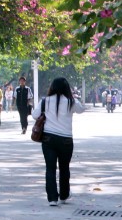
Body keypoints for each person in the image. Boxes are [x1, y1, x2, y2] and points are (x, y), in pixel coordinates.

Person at [32, 77, 85, 206]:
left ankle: (52, 198)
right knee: (64, 168)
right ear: (67, 88)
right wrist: (73, 96)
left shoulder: (45, 101)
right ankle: (64, 195)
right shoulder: (71, 102)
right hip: (66, 140)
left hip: (48, 139)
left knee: (50, 168)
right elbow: (81, 109)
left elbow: (34, 115)